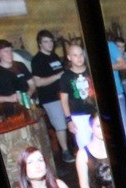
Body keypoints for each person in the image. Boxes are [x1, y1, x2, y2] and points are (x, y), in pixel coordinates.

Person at [31, 30, 74, 163]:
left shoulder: (54, 56)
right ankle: (65, 152)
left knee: (71, 120)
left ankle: (74, 147)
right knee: (60, 125)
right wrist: (57, 76)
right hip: (50, 98)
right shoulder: (37, 60)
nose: (49, 44)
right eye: (46, 42)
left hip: (63, 94)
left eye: (51, 41)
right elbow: (38, 82)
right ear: (40, 44)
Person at [59, 44, 97, 152]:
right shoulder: (66, 77)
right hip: (79, 117)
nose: (79, 58)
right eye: (75, 55)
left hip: (96, 113)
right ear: (69, 57)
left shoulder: (91, 71)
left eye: (81, 54)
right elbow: (64, 100)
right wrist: (69, 120)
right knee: (85, 148)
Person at [0, 39, 35, 106]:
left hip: (29, 103)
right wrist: (9, 98)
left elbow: (32, 84)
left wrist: (29, 93)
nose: (9, 54)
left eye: (10, 51)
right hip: (12, 108)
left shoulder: (20, 65)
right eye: (6, 51)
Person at [76, 114, 108, 188]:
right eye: (98, 126)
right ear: (90, 128)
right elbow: (84, 184)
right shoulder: (83, 154)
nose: (103, 129)